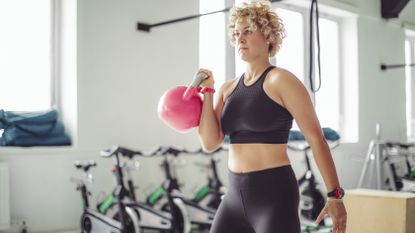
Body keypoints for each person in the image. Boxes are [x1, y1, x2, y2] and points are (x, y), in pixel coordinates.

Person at [196, 0, 347, 233]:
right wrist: (207, 92)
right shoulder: (226, 89)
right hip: (234, 197)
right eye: (236, 33)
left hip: (274, 197)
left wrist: (335, 195)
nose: (240, 39)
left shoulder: (281, 80)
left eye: (247, 31)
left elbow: (316, 139)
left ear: (268, 37)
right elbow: (209, 143)